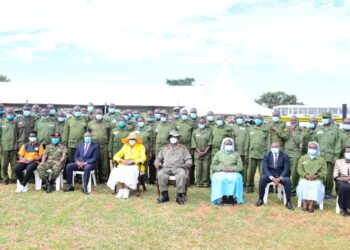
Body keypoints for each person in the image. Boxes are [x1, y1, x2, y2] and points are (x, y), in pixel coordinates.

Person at [155, 130, 192, 205]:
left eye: (175, 137)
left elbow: (189, 159)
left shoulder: (183, 148)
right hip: (166, 167)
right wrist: (157, 162)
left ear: (178, 138)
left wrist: (187, 163)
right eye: (172, 137)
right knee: (160, 174)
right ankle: (164, 195)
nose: (173, 138)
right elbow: (158, 158)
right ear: (169, 138)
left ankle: (180, 196)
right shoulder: (164, 148)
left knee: (182, 175)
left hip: (179, 168)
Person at [107, 132, 146, 199]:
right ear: (128, 140)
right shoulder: (125, 146)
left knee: (128, 172)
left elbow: (143, 157)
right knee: (116, 171)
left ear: (136, 140)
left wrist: (133, 161)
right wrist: (122, 160)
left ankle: (126, 190)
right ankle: (121, 190)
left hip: (135, 165)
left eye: (133, 139)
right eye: (130, 139)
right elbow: (116, 156)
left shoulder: (140, 146)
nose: (131, 140)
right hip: (124, 164)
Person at [256, 142, 293, 210]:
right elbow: (265, 168)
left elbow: (286, 168)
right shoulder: (267, 155)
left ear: (279, 148)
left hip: (281, 176)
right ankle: (260, 199)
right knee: (262, 178)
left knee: (287, 180)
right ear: (271, 148)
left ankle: (288, 202)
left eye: (276, 147)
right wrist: (272, 178)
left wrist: (280, 177)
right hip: (271, 176)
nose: (274, 148)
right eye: (273, 147)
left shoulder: (284, 155)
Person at [314, 112, 341, 199]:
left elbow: (338, 143)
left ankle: (328, 192)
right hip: (319, 156)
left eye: (326, 117)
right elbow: (314, 141)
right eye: (323, 117)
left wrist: (335, 157)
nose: (325, 119)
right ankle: (320, 191)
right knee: (319, 174)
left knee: (329, 177)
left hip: (330, 157)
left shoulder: (335, 129)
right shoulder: (318, 128)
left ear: (330, 118)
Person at [210, 137, 244, 205]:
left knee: (236, 178)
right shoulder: (218, 153)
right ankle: (223, 197)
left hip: (233, 172)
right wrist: (221, 169)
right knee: (220, 179)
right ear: (223, 145)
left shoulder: (236, 154)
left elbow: (240, 166)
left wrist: (232, 169)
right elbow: (213, 165)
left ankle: (231, 197)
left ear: (232, 145)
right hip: (221, 172)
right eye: (227, 144)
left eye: (230, 144)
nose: (228, 146)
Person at [297, 142, 327, 213]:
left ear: (317, 149)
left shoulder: (321, 159)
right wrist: (305, 175)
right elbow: (299, 169)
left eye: (314, 148)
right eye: (310, 148)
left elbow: (324, 172)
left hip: (317, 179)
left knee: (316, 185)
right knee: (302, 184)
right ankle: (304, 202)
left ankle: (311, 203)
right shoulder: (303, 158)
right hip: (305, 178)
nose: (312, 149)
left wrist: (316, 176)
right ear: (308, 148)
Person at [246, 114, 270, 193]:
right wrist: (247, 153)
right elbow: (248, 142)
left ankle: (262, 188)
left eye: (259, 118)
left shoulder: (265, 130)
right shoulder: (251, 129)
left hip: (262, 155)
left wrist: (268, 154)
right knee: (250, 172)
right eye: (256, 118)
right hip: (252, 153)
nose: (257, 120)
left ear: (262, 120)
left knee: (262, 173)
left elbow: (268, 143)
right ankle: (249, 187)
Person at [280, 115, 303, 196]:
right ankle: (285, 187)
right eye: (291, 120)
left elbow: (298, 141)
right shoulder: (287, 128)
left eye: (294, 120)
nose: (292, 121)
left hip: (295, 154)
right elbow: (283, 137)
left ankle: (293, 189)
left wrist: (293, 132)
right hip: (286, 153)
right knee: (285, 172)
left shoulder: (300, 130)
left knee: (294, 173)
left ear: (297, 121)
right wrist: (282, 128)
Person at [87, 108, 111, 183]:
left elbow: (110, 135)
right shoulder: (90, 123)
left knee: (104, 164)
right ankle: (95, 178)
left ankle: (104, 179)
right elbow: (87, 134)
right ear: (94, 114)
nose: (99, 115)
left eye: (100, 113)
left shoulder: (107, 123)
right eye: (97, 113)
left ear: (103, 114)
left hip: (104, 146)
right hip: (94, 147)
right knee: (94, 162)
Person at [191, 117, 212, 187]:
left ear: (205, 123)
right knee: (198, 169)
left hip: (207, 153)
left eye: (203, 123)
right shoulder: (194, 132)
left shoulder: (209, 132)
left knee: (206, 169)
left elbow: (210, 143)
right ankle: (198, 182)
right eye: (200, 123)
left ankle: (206, 182)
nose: (201, 124)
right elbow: (193, 143)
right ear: (198, 123)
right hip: (197, 153)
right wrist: (199, 151)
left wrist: (205, 151)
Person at [0, 107, 18, 184]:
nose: (10, 114)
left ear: (13, 113)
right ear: (5, 113)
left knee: (14, 165)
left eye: (11, 112)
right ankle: (5, 179)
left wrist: (17, 146)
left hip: (14, 147)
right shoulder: (2, 123)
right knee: (4, 165)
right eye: (8, 112)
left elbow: (17, 135)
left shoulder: (15, 123)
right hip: (4, 147)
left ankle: (14, 179)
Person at [232, 113, 249, 189]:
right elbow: (231, 139)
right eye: (238, 117)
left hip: (244, 152)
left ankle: (244, 183)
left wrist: (247, 153)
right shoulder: (233, 127)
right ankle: (235, 183)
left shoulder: (247, 127)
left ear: (243, 119)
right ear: (235, 119)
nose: (239, 119)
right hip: (235, 152)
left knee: (244, 169)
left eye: (240, 117)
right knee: (235, 168)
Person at [333, 146, 350, 216]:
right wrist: (345, 179)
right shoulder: (338, 162)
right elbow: (335, 176)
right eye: (347, 152)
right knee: (344, 187)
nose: (349, 153)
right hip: (342, 181)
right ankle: (344, 208)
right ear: (344, 153)